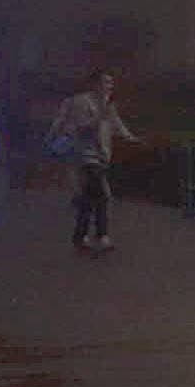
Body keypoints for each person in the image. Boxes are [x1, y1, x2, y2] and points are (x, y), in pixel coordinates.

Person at [49, 69, 130, 255]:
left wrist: (129, 137)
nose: (109, 87)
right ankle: (102, 236)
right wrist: (98, 118)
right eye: (105, 83)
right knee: (101, 194)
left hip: (100, 155)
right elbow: (78, 128)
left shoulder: (107, 105)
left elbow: (116, 124)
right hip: (84, 154)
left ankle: (82, 236)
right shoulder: (78, 102)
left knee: (88, 197)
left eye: (111, 83)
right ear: (94, 84)